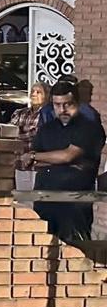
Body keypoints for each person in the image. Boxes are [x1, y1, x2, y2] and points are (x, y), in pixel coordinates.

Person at [18, 80, 106, 242]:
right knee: (43, 247)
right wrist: (47, 159)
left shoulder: (89, 127)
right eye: (57, 105)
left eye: (67, 104)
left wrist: (37, 156)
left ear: (77, 103)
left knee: (75, 249)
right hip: (44, 198)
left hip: (74, 203)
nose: (62, 109)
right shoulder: (47, 128)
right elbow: (33, 161)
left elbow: (68, 155)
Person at [10, 81, 50, 155]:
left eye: (38, 92)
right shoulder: (19, 113)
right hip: (16, 157)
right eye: (32, 91)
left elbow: (38, 134)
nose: (33, 94)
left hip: (36, 157)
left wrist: (20, 132)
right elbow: (9, 132)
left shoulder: (49, 115)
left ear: (46, 96)